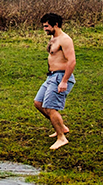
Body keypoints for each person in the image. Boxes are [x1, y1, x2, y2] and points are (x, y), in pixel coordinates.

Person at [33, 13, 76, 150]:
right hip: (51, 76)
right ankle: (61, 127)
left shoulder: (65, 39)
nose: (44, 29)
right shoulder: (53, 38)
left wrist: (64, 81)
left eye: (46, 26)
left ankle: (61, 138)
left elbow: (72, 61)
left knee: (51, 107)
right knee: (38, 103)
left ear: (55, 25)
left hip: (60, 77)